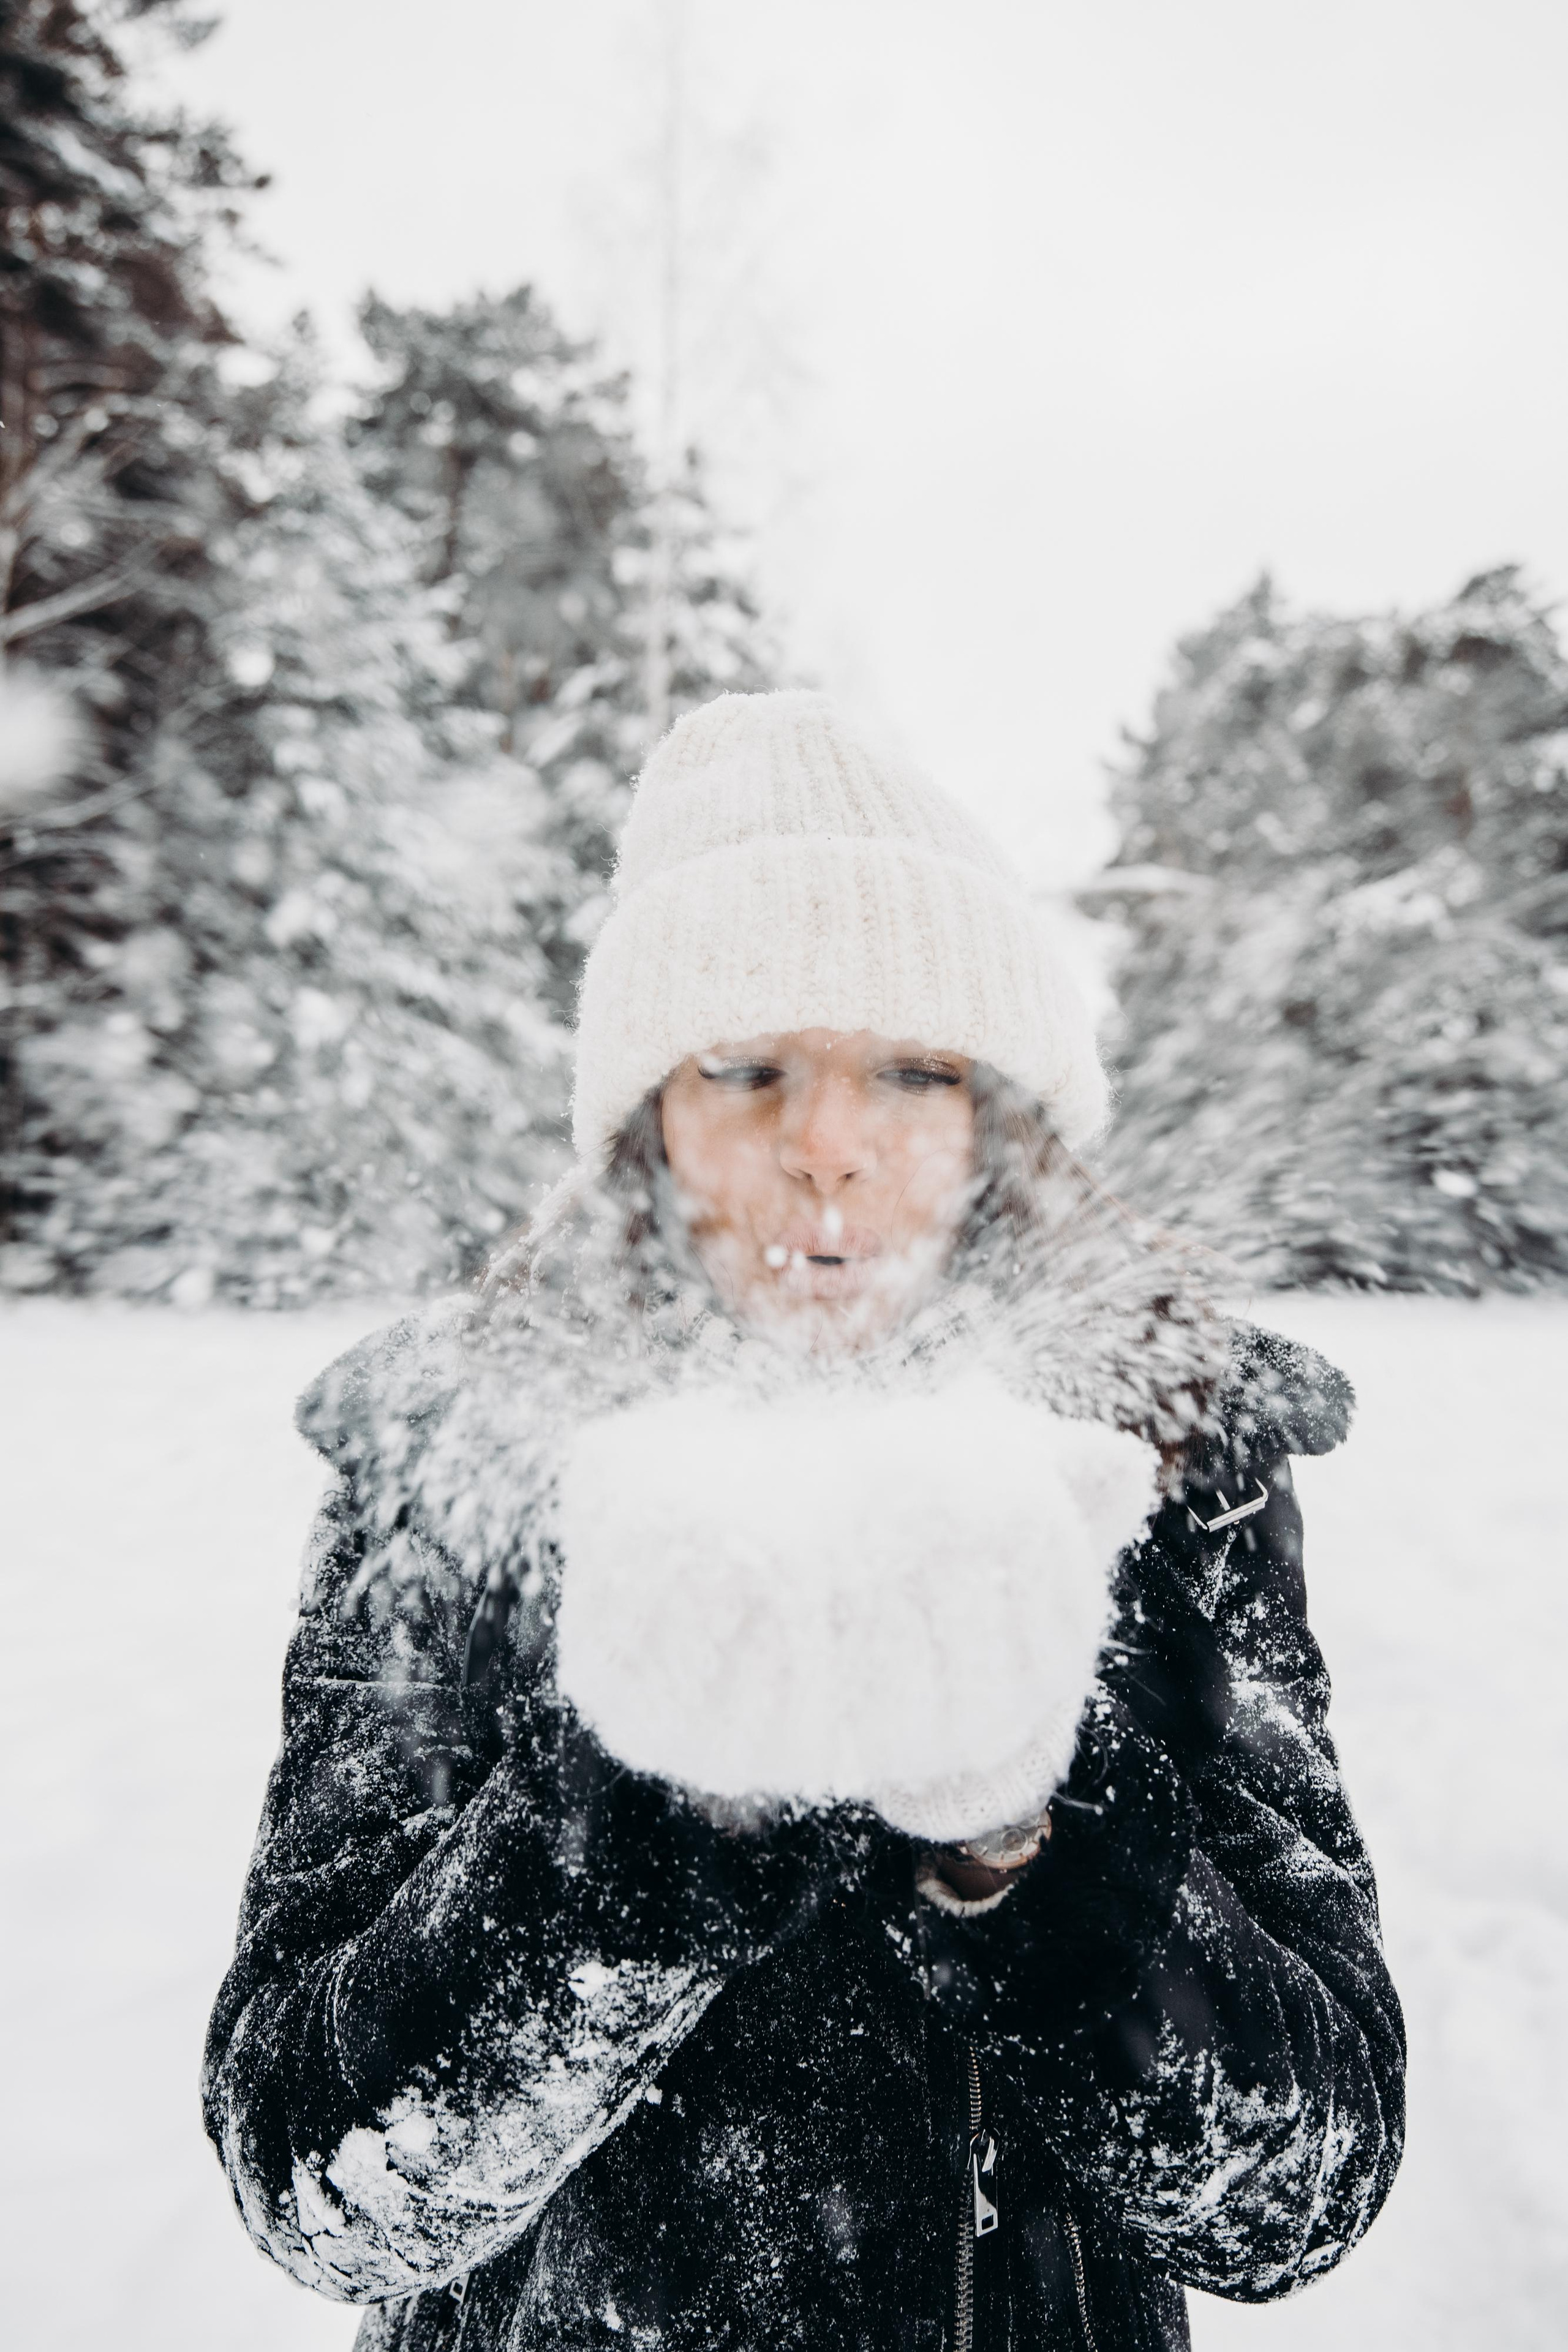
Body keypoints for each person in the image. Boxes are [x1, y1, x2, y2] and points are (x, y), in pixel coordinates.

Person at [203, 691, 1404, 2351]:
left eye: (913, 1070)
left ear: (1001, 1125)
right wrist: (638, 1832)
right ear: (649, 1121)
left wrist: (1032, 1843)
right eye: (747, 1065)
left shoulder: (1165, 1455)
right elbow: (317, 2181)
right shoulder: (465, 1465)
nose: (826, 1146)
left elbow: (1300, 2191)